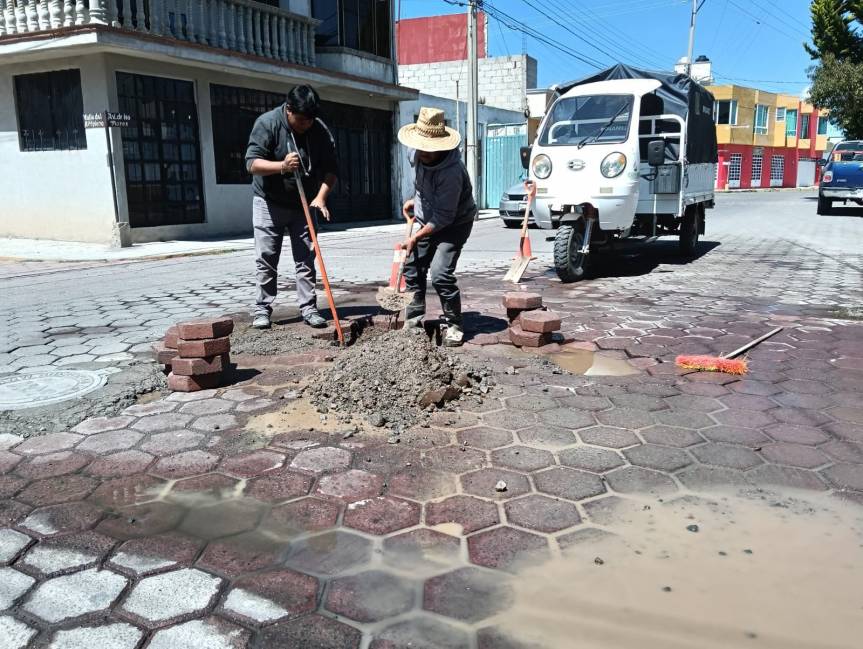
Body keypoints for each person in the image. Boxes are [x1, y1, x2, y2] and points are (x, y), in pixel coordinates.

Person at [245, 85, 339, 329]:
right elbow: (252, 164)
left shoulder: (318, 130)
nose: (306, 125)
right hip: (269, 202)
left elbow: (331, 170)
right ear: (288, 110)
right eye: (301, 120)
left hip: (303, 204)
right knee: (266, 258)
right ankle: (262, 309)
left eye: (310, 120)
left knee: (306, 258)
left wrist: (321, 197)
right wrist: (282, 166)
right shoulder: (267, 124)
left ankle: (309, 308)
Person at [397, 107, 477, 347]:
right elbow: (422, 186)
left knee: (440, 273)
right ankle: (413, 320)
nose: (423, 152)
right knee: (413, 266)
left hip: (455, 223)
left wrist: (415, 237)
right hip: (428, 218)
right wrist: (415, 200)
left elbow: (444, 216)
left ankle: (454, 324)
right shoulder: (416, 153)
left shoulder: (452, 172)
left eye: (428, 148)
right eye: (420, 146)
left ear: (440, 146)